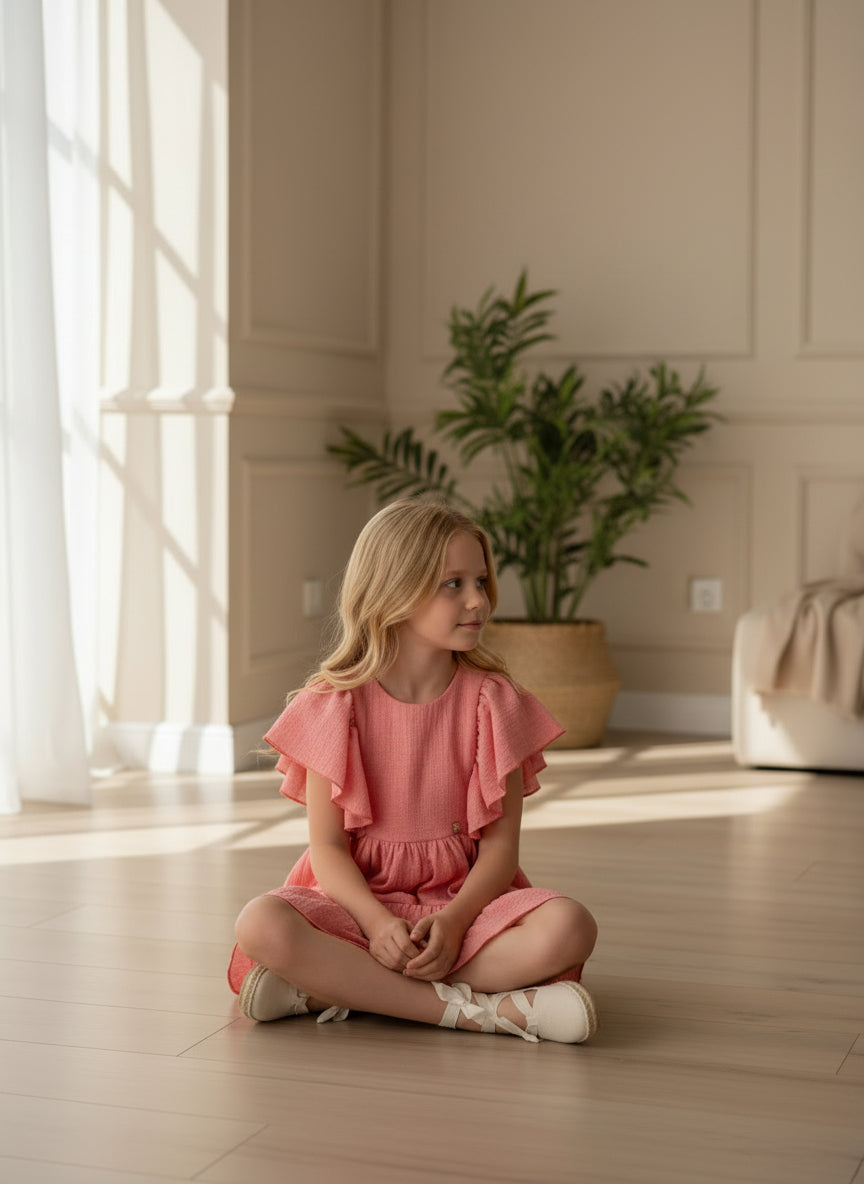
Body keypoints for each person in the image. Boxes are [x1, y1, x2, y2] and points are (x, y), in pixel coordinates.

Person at [230, 496, 598, 1043]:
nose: (478, 600)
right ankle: (488, 1014)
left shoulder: (494, 704)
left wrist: (451, 925)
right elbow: (328, 850)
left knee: (570, 926)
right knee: (260, 923)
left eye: (480, 581)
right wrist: (377, 924)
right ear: (392, 591)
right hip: (355, 909)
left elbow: (500, 852)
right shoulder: (335, 705)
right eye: (453, 584)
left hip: (465, 908)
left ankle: (331, 990)